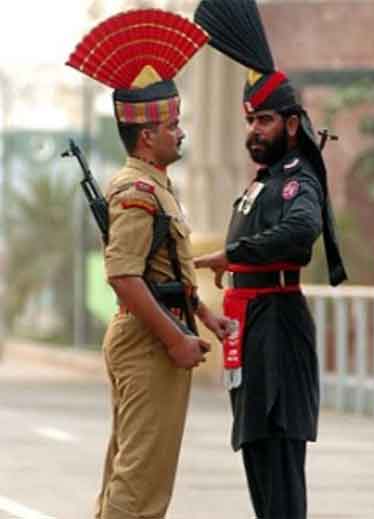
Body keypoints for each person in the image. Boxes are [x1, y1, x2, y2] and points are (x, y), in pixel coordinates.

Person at [66, 9, 229, 519]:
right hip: (148, 344)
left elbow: (166, 275)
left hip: (155, 335)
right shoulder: (136, 189)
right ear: (146, 136)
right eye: (172, 125)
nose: (180, 133)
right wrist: (175, 339)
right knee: (140, 487)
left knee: (135, 476)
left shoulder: (156, 185)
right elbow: (124, 277)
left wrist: (202, 317)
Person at [193, 1, 348, 518]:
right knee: (258, 458)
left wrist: (233, 253)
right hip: (250, 327)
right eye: (250, 121)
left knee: (279, 468)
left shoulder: (296, 177)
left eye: (264, 120)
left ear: (290, 122)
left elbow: (301, 232)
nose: (255, 130)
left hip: (277, 329)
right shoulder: (267, 179)